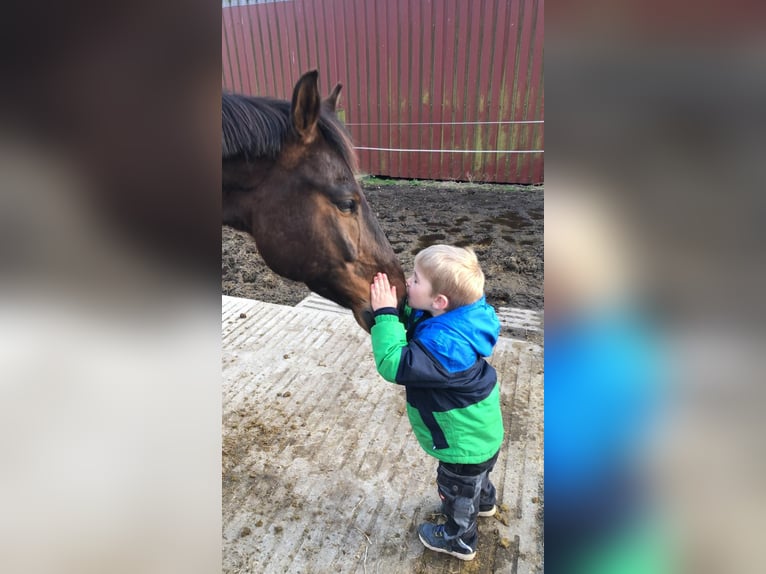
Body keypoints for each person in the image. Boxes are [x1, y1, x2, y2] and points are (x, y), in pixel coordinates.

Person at [369, 244, 504, 561]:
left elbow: (395, 363)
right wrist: (403, 307)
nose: (409, 283)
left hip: (462, 445)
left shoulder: (444, 345)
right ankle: (484, 503)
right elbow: (424, 318)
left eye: (415, 280)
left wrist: (386, 316)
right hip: (482, 435)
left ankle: (460, 539)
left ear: (439, 301)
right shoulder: (464, 316)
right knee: (476, 480)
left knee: (455, 486)